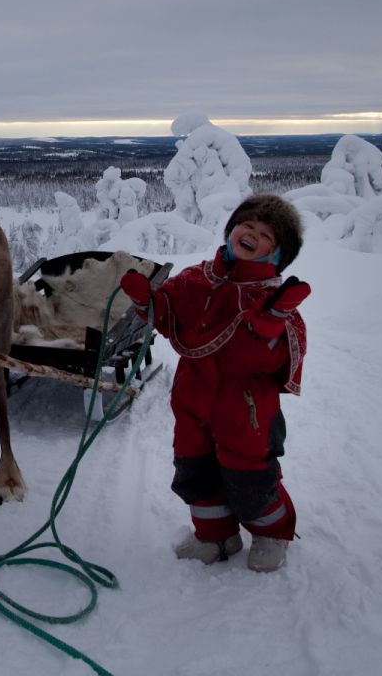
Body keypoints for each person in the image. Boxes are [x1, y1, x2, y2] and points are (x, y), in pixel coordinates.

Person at [120, 193, 311, 573]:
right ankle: (216, 536)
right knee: (194, 470)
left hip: (246, 408)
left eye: (266, 234)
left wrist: (271, 323)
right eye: (248, 225)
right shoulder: (196, 278)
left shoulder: (273, 298)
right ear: (232, 229)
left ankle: (271, 535)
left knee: (250, 477)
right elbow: (169, 316)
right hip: (192, 399)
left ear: (278, 253)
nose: (252, 234)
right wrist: (148, 303)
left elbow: (276, 361)